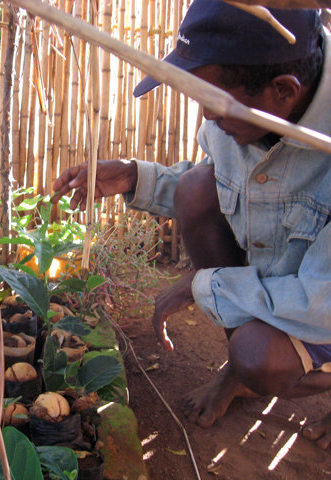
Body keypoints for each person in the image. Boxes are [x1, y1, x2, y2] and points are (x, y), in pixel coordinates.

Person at [51, 0, 331, 449]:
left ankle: (250, 370)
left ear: (283, 92)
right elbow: (226, 183)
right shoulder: (256, 105)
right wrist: (132, 176)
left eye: (212, 102)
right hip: (301, 284)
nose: (205, 116)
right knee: (196, 189)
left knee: (258, 356)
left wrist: (202, 284)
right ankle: (239, 375)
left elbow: (322, 304)